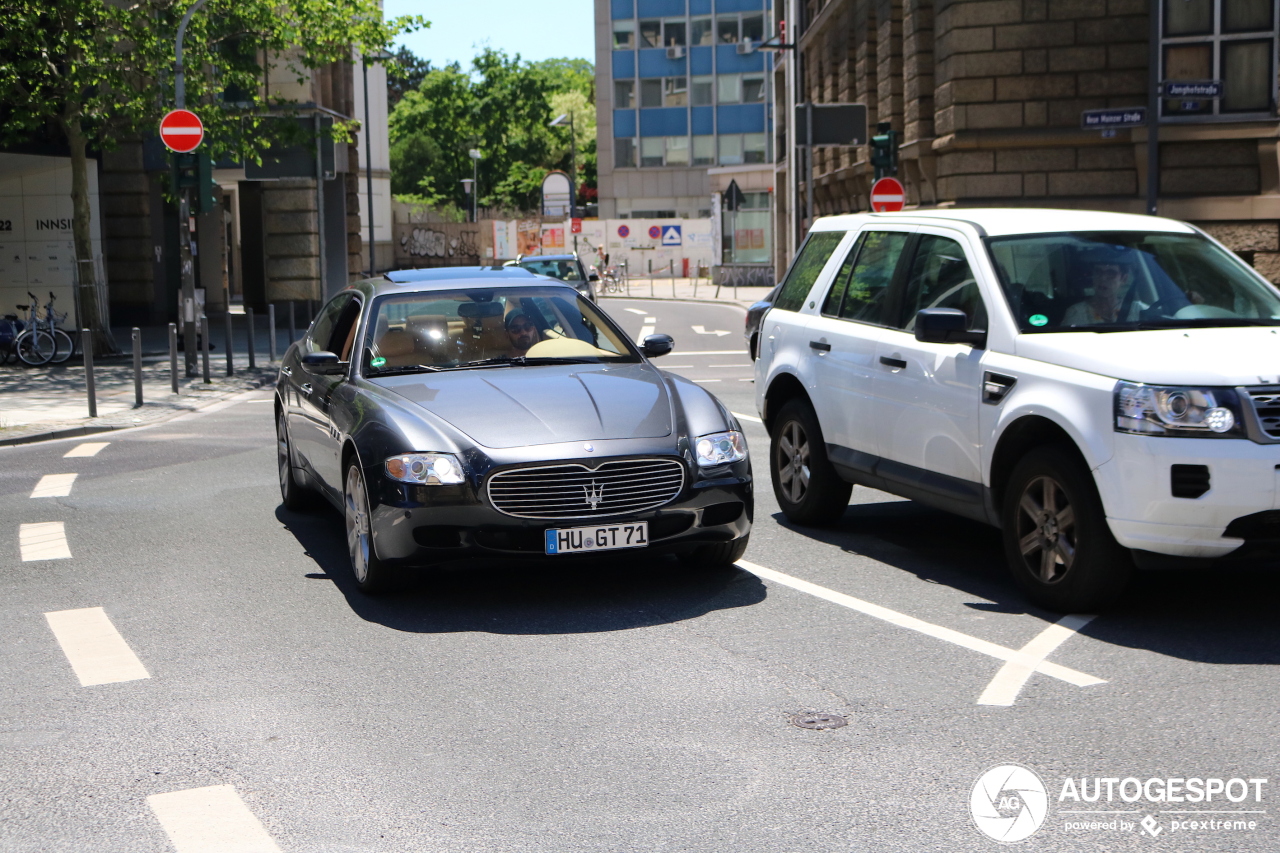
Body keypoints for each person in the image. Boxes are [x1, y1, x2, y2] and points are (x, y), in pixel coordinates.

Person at [1061, 252, 1144, 326]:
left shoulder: (1138, 310)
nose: (1103, 278)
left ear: (1124, 279)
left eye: (1111, 273)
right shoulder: (1076, 312)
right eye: (1098, 272)